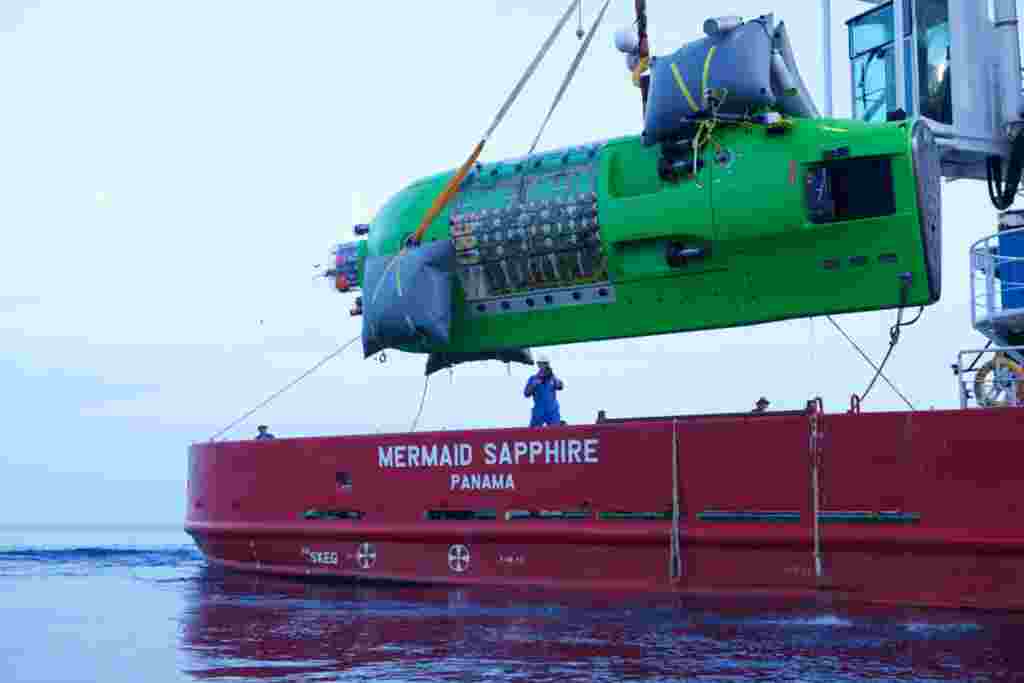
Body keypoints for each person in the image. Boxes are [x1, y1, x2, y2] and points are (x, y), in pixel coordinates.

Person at [524, 354, 564, 427]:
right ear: (538, 365)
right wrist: (533, 385)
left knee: (556, 432)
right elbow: (526, 393)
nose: (545, 365)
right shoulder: (533, 379)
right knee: (533, 434)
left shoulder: (553, 378)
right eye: (542, 363)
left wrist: (557, 382)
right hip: (539, 411)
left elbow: (560, 386)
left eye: (546, 363)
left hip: (552, 410)